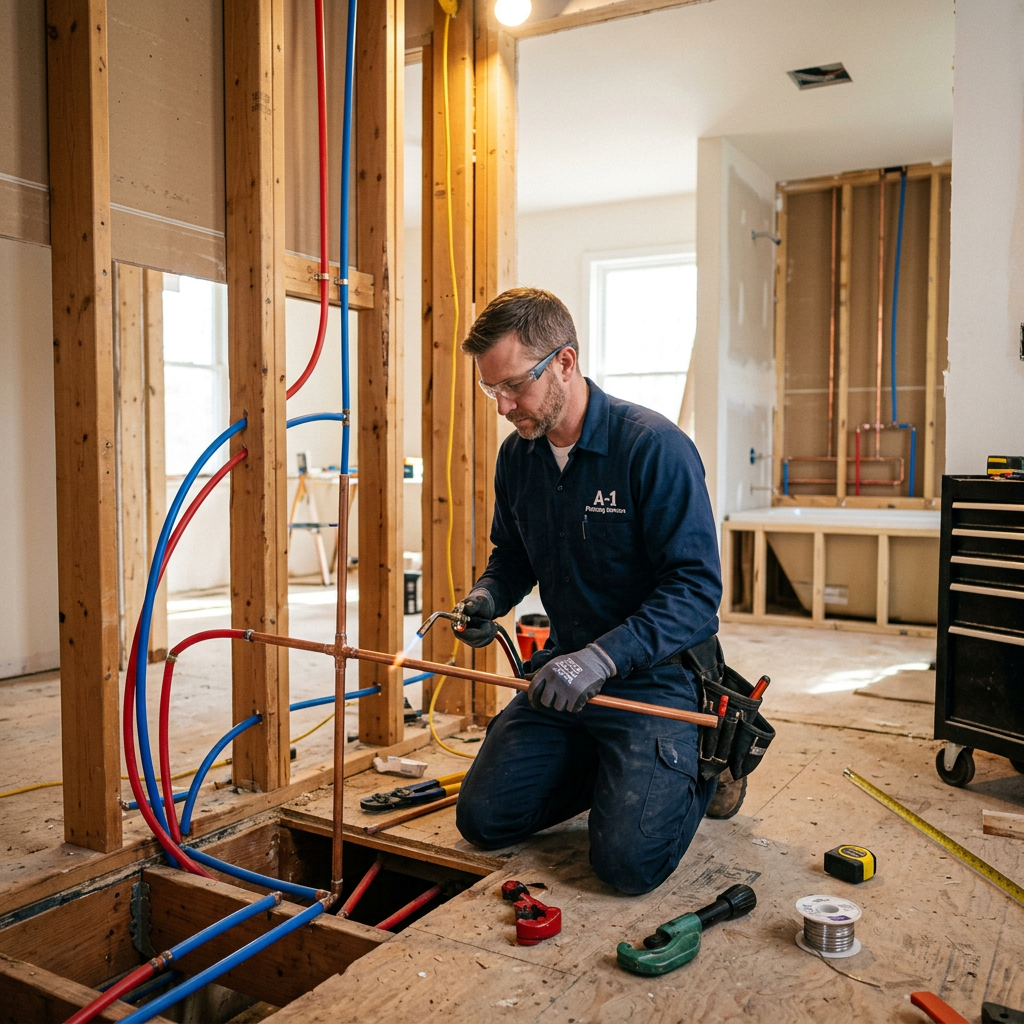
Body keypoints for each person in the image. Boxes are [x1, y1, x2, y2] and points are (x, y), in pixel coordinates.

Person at [452, 287, 743, 896]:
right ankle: (613, 768)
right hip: (566, 669)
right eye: (491, 391)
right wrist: (488, 595)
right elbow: (513, 555)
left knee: (627, 866)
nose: (503, 406)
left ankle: (708, 768)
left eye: (514, 386)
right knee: (484, 821)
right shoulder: (519, 457)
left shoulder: (653, 448)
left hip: (656, 675)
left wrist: (604, 658)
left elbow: (695, 592)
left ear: (564, 361)